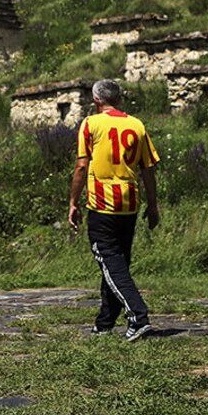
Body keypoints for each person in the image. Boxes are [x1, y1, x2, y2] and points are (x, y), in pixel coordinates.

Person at [68, 79, 161, 342]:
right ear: (119, 99)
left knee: (110, 261)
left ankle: (138, 316)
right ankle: (105, 323)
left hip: (102, 203)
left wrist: (73, 202)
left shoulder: (91, 124)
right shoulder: (136, 125)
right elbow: (148, 170)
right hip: (130, 203)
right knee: (117, 263)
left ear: (96, 100)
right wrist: (153, 205)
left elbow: (81, 167)